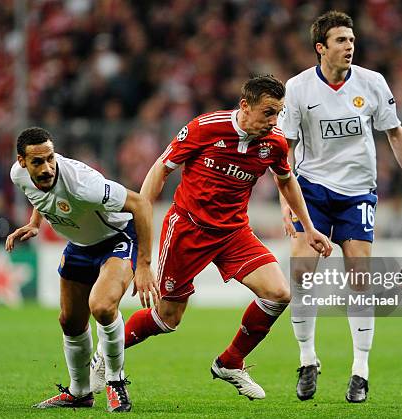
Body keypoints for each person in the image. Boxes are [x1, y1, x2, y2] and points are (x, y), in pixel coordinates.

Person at [90, 75, 333, 400]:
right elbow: (160, 169)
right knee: (168, 318)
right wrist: (142, 237)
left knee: (278, 293)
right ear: (245, 106)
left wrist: (309, 227)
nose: (274, 122)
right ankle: (107, 353)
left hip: (234, 232)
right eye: (268, 113)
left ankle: (231, 361)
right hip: (188, 230)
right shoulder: (205, 127)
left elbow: (286, 181)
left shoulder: (274, 143)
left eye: (279, 113)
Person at [277, 11, 402, 403]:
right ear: (321, 48)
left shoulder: (372, 83)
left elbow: (395, 134)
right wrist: (286, 199)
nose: (349, 46)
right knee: (302, 277)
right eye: (341, 41)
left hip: (358, 193)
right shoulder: (299, 88)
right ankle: (307, 359)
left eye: (351, 40)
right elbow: (286, 147)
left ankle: (360, 371)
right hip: (311, 189)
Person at [5, 127, 159, 412]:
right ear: (22, 161)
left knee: (102, 306)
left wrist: (145, 265)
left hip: (118, 238)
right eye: (38, 162)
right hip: (79, 244)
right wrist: (34, 223)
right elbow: (40, 196)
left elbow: (141, 205)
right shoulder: (18, 175)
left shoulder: (83, 184)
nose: (47, 167)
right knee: (70, 321)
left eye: (50, 158)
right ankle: (79, 392)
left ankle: (115, 382)